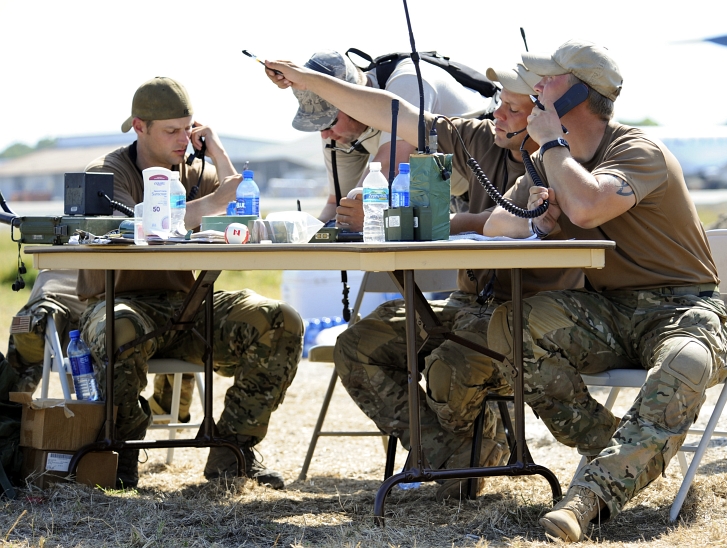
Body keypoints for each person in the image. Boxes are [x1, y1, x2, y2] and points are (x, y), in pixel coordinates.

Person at [264, 57, 583, 500]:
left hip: (526, 316)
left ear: (545, 117)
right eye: (499, 105)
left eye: (512, 109)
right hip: (467, 303)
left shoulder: (566, 158)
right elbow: (397, 116)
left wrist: (429, 220)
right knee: (359, 346)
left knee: (449, 363)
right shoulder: (479, 138)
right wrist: (308, 81)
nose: (497, 114)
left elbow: (504, 220)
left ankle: (469, 459)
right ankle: (453, 459)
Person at [481, 41, 727, 542]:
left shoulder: (636, 150)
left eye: (545, 82)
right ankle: (622, 448)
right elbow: (494, 227)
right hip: (611, 310)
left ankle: (590, 498)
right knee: (512, 326)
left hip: (685, 308)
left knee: (685, 362)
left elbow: (589, 206)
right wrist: (536, 218)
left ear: (579, 93)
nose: (532, 90)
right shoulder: (550, 161)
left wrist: (553, 150)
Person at [78, 76, 304, 489]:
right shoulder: (108, 174)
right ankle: (123, 447)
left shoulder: (197, 171)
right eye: (171, 131)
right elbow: (138, 228)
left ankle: (233, 451)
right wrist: (210, 203)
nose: (183, 139)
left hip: (187, 306)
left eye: (189, 128)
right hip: (121, 302)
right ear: (139, 127)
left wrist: (217, 152)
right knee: (117, 327)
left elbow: (245, 217)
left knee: (280, 320)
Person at [284, 50, 498, 230]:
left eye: (328, 122)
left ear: (349, 103)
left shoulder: (409, 81)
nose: (323, 134)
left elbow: (388, 170)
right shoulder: (340, 132)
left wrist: (358, 217)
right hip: (449, 194)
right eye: (317, 125)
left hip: (495, 178)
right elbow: (338, 204)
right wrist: (305, 235)